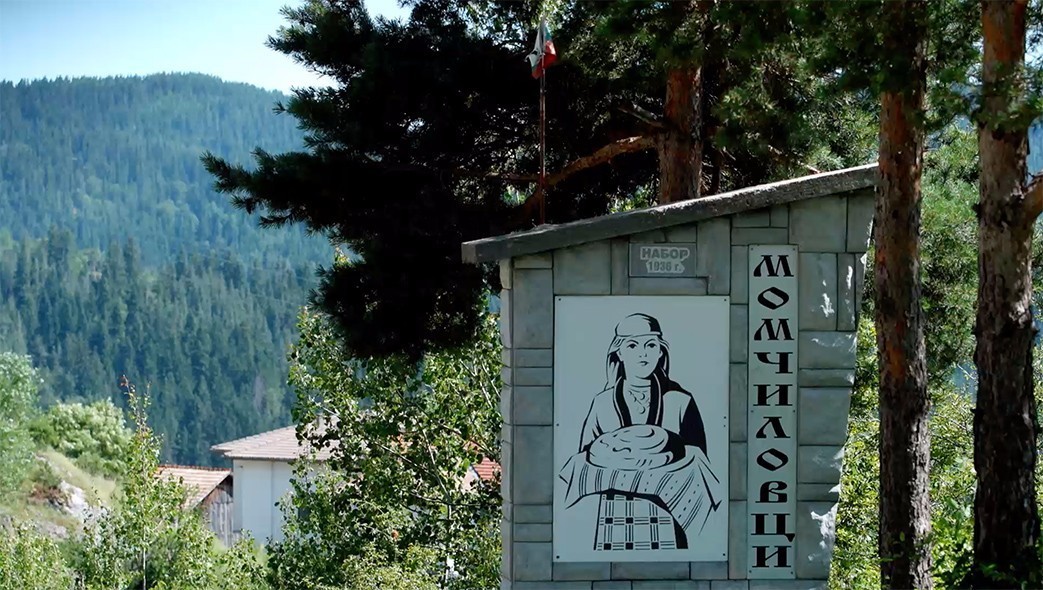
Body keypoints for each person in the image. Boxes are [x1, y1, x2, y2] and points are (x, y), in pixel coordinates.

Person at [576, 312, 708, 551]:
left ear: (661, 351)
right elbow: (585, 459)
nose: (643, 353)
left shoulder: (680, 400)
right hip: (615, 512)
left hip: (669, 510)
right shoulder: (602, 403)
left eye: (650, 345)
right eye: (632, 345)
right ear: (619, 352)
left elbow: (698, 461)